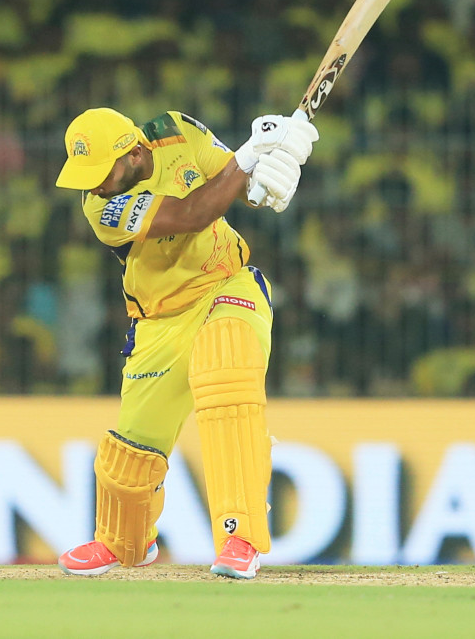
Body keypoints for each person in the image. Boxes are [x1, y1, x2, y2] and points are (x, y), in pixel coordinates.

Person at [53, 107, 317, 579]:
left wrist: (268, 176)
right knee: (134, 445)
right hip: (158, 319)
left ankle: (241, 537)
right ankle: (124, 541)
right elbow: (192, 214)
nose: (91, 186)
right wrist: (250, 154)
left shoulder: (177, 131)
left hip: (226, 285)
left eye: (100, 172)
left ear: (135, 153)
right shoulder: (101, 208)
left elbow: (230, 181)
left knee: (227, 375)